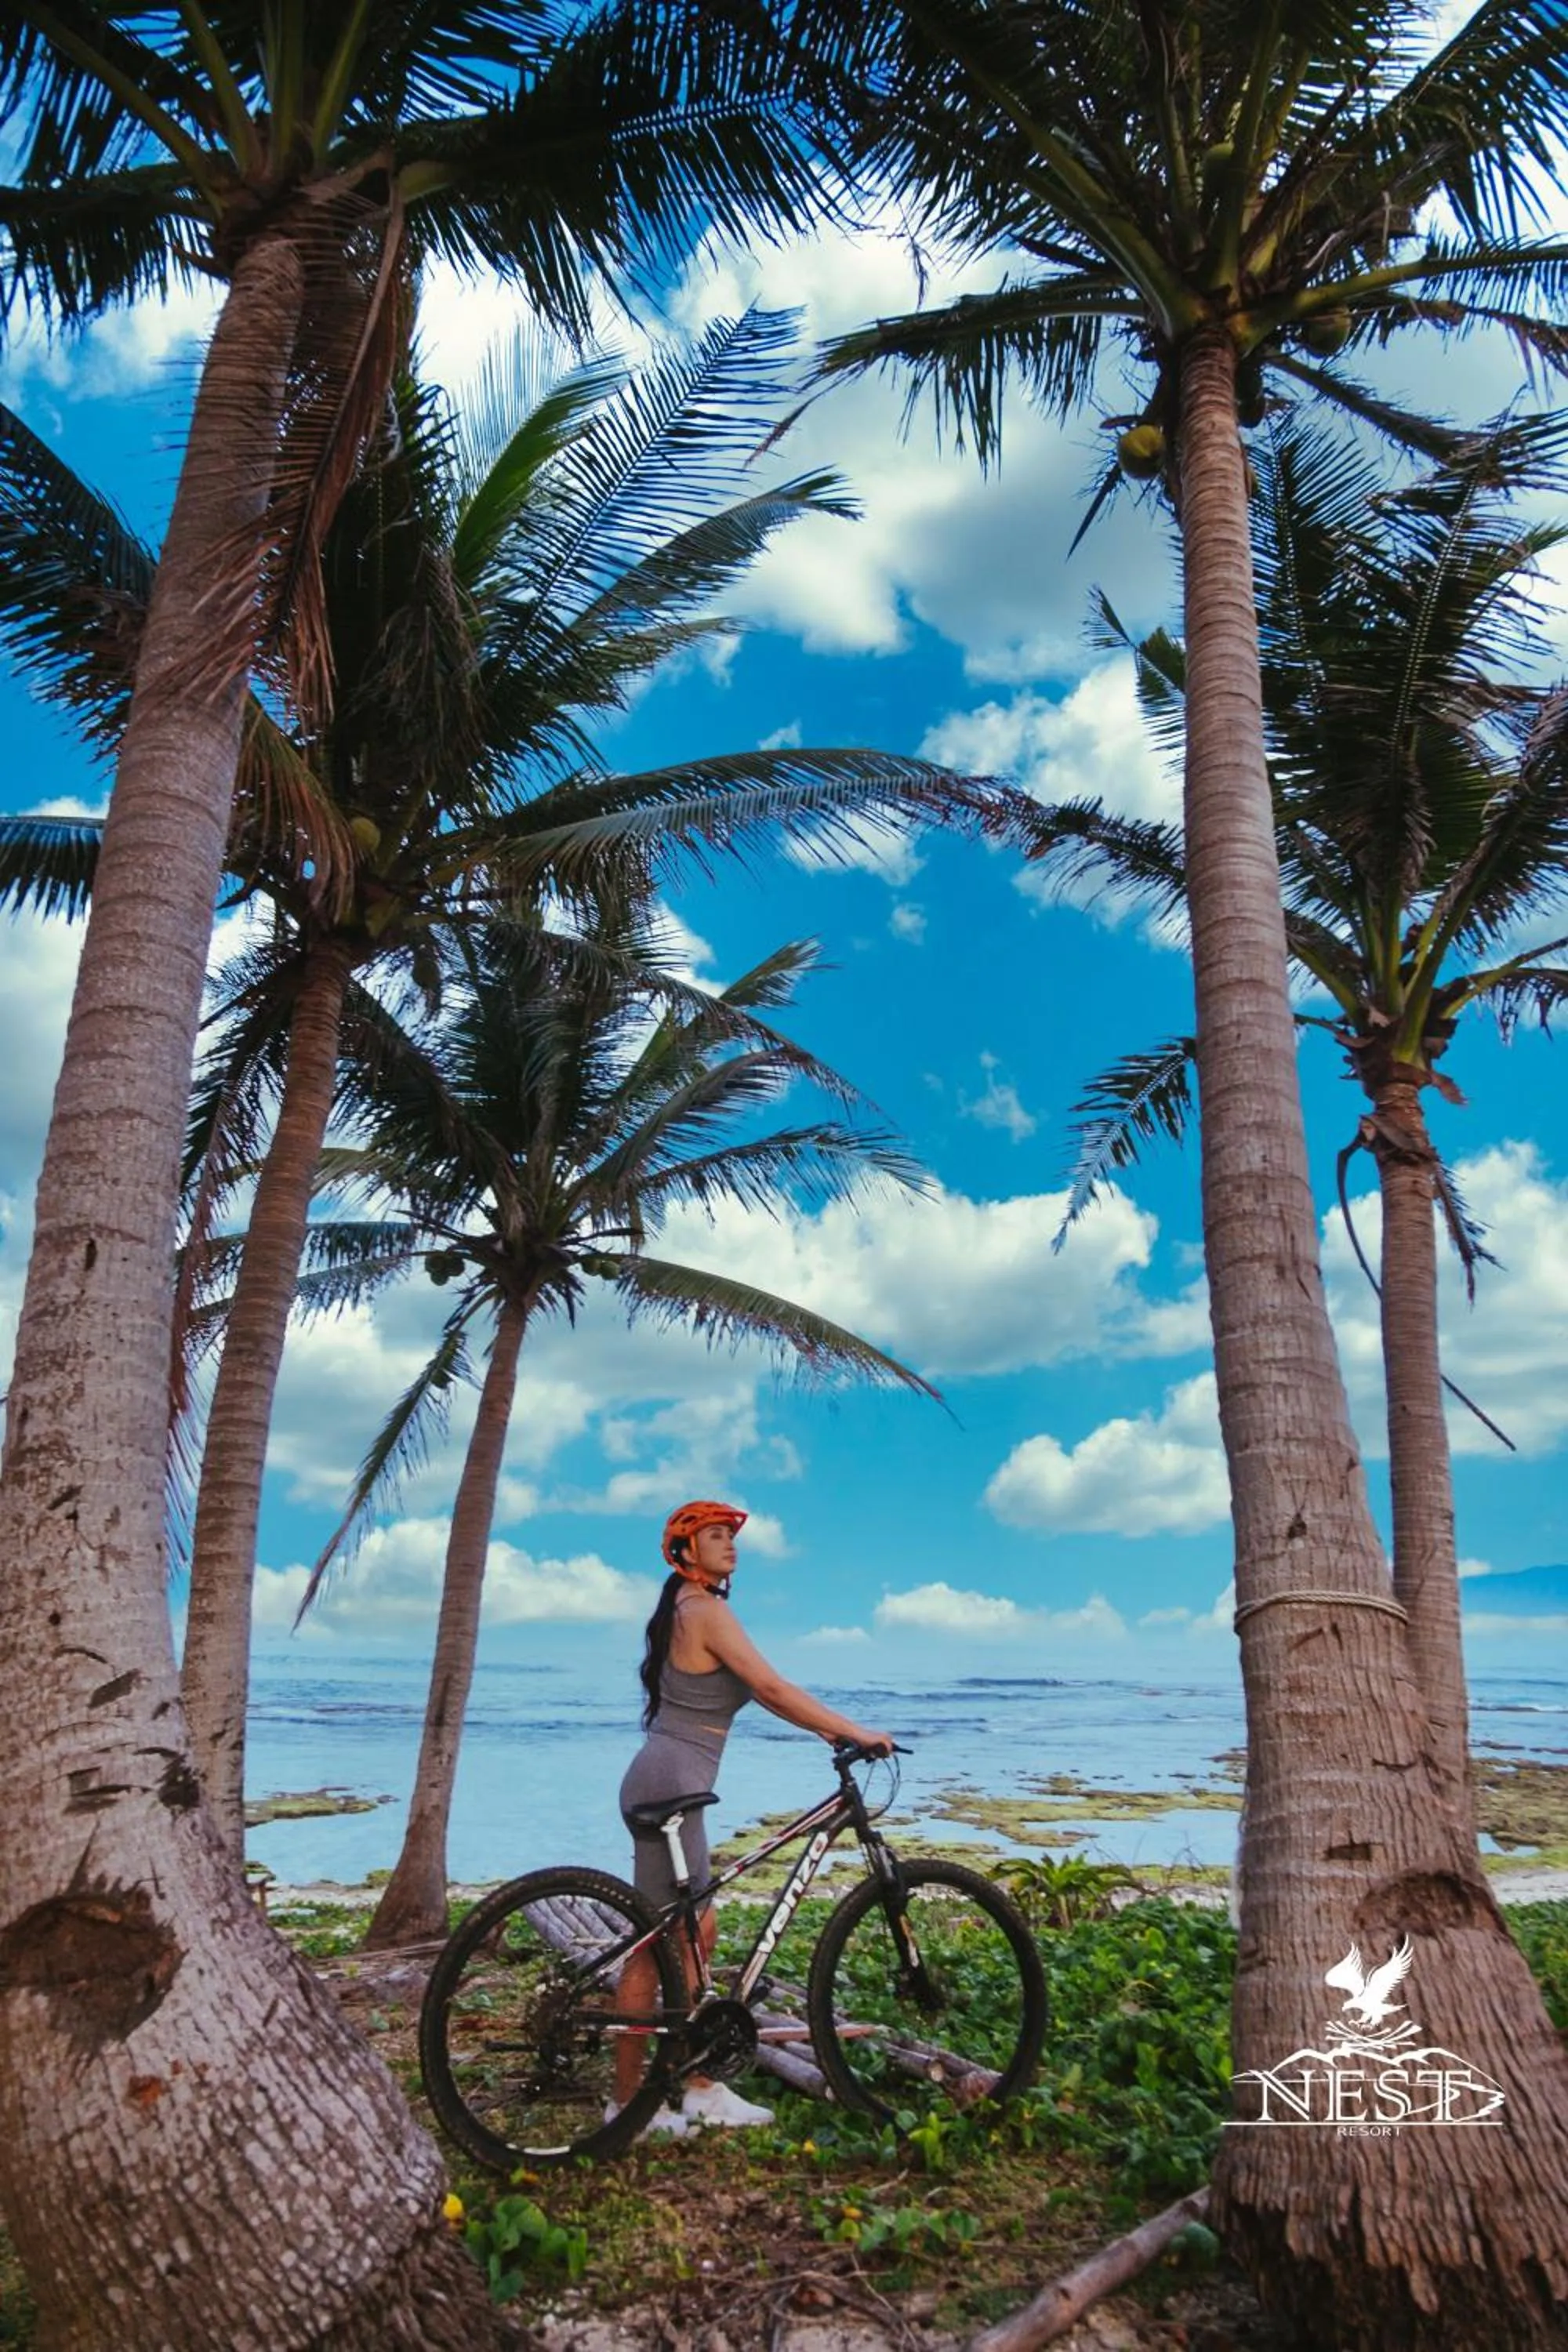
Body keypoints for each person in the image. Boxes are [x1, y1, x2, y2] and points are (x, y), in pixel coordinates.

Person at [611, 1499, 895, 2136]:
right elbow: (769, 1687)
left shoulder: (684, 1609)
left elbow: (766, 1695)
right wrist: (850, 1729)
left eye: (729, 1536)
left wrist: (824, 1735)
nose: (729, 1545)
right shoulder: (704, 1610)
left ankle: (698, 2088)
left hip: (667, 1780)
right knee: (658, 1945)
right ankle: (630, 2104)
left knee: (692, 1935)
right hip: (671, 1786)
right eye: (715, 1536)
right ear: (686, 1552)